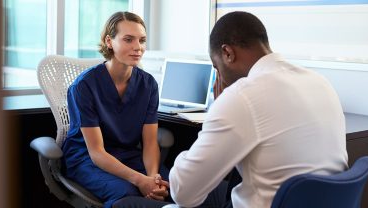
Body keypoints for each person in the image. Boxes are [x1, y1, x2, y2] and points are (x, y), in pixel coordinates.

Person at [168, 11, 348, 208]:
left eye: (216, 67)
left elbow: (183, 193)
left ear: (228, 53)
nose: (220, 77)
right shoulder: (320, 82)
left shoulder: (241, 96)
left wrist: (217, 111)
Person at [62, 11, 170, 208]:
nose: (138, 47)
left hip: (129, 156)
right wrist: (139, 180)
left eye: (142, 40)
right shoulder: (84, 87)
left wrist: (152, 178)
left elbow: (150, 143)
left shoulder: (148, 85)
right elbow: (96, 153)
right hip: (88, 161)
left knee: (171, 186)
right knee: (127, 192)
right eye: (128, 40)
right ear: (109, 41)